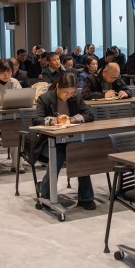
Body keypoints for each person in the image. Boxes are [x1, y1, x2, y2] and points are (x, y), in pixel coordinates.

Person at [34, 73, 96, 209]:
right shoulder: (45, 98)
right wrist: (54, 120)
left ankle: (85, 197)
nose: (68, 95)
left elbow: (90, 114)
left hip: (71, 141)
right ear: (58, 86)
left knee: (81, 153)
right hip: (49, 143)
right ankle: (46, 193)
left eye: (71, 93)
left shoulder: (76, 97)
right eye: (65, 92)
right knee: (58, 154)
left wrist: (72, 119)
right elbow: (36, 119)